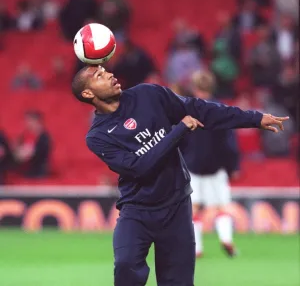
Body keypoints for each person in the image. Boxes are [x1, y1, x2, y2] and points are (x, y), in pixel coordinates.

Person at [71, 64, 288, 286]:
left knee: (178, 282)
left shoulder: (148, 94)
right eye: (99, 76)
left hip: (176, 205)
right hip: (137, 211)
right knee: (126, 265)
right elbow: (139, 167)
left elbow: (200, 109)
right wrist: (178, 130)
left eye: (105, 70)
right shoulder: (97, 137)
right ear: (88, 93)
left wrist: (253, 119)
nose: (109, 75)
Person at [180, 70, 241, 258]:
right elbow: (229, 142)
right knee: (222, 206)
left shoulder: (187, 109)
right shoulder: (221, 109)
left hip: (193, 166)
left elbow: (179, 138)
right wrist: (233, 166)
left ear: (195, 87)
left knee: (193, 207)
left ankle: (196, 248)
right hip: (217, 167)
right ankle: (226, 240)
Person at [14, 111, 51, 178]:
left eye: (29, 121)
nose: (27, 123)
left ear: (36, 121)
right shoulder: (26, 135)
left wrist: (23, 152)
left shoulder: (44, 137)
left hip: (37, 172)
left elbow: (35, 153)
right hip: (27, 169)